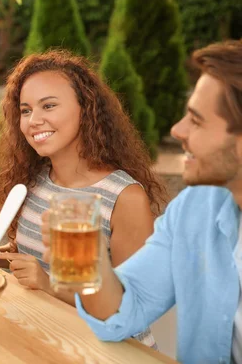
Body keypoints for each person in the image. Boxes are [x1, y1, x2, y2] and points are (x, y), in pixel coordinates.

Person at [37, 41, 242, 364]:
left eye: (197, 121)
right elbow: (128, 307)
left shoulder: (129, 194)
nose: (177, 130)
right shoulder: (194, 208)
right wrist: (92, 266)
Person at [0, 50, 167, 347]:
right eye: (25, 110)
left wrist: (48, 284)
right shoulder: (33, 181)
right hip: (50, 336)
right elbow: (39, 258)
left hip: (112, 351)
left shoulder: (124, 197)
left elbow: (130, 309)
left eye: (49, 106)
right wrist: (2, 254)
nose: (34, 120)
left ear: (86, 108)